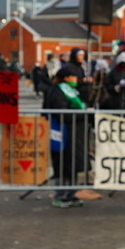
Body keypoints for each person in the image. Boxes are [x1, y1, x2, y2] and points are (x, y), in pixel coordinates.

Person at [43, 66, 86, 208]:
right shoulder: (56, 91)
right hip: (63, 133)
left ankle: (71, 194)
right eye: (73, 77)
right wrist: (82, 114)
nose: (76, 79)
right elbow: (60, 112)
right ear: (66, 77)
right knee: (63, 165)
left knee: (72, 165)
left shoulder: (71, 91)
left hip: (74, 133)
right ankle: (60, 195)